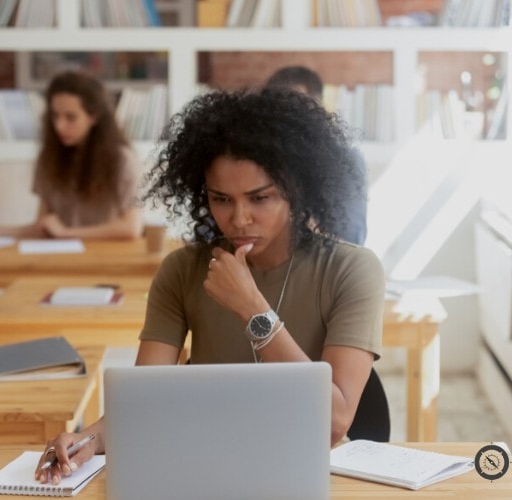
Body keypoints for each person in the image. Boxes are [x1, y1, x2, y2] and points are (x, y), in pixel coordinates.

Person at [34, 88, 384, 485]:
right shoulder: (183, 270)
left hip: (309, 475)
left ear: (297, 189)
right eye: (221, 199)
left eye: (260, 198)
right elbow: (143, 401)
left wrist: (253, 309)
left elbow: (333, 423)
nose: (238, 219)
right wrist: (87, 438)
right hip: (203, 467)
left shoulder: (353, 270)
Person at [0, 71, 143, 240]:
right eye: (55, 116)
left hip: (105, 259)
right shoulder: (49, 158)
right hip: (61, 258)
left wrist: (67, 233)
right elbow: (44, 226)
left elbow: (132, 228)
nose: (59, 126)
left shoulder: (122, 160)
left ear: (93, 117)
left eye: (71, 117)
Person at [265, 65, 369, 245]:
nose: (283, 117)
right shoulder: (257, 156)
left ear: (316, 109)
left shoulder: (343, 160)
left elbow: (351, 242)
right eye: (274, 108)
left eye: (293, 107)